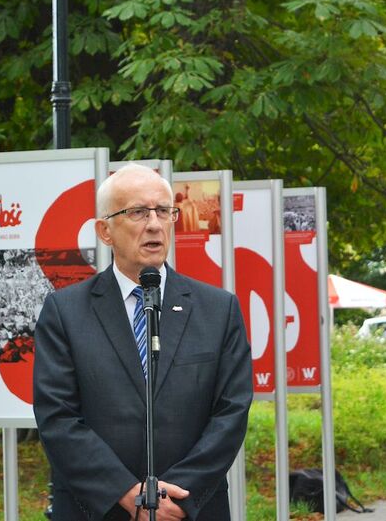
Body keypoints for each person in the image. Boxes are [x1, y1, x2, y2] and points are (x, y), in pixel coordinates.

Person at [33, 163, 253, 521]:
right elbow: (57, 416)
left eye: (163, 211)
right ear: (105, 231)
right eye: (137, 212)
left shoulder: (218, 309)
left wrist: (178, 494)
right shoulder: (65, 311)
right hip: (97, 509)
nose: (154, 224)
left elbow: (231, 410)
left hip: (189, 507)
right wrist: (126, 493)